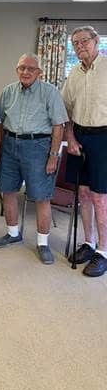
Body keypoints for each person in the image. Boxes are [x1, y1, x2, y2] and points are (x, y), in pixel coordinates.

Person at [0, 53, 68, 264]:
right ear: (17, 70)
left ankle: (43, 243)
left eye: (30, 69)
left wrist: (54, 155)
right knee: (7, 191)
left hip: (38, 147)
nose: (25, 72)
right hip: (9, 145)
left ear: (39, 72)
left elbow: (58, 126)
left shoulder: (50, 92)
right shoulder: (8, 91)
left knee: (41, 196)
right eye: (21, 68)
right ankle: (13, 233)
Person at [62, 26, 107, 277]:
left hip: (104, 136)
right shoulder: (74, 74)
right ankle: (89, 243)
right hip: (79, 135)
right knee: (83, 193)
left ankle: (103, 250)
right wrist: (69, 136)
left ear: (96, 41)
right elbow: (66, 108)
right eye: (75, 43)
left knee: (101, 197)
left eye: (84, 41)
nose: (80, 46)